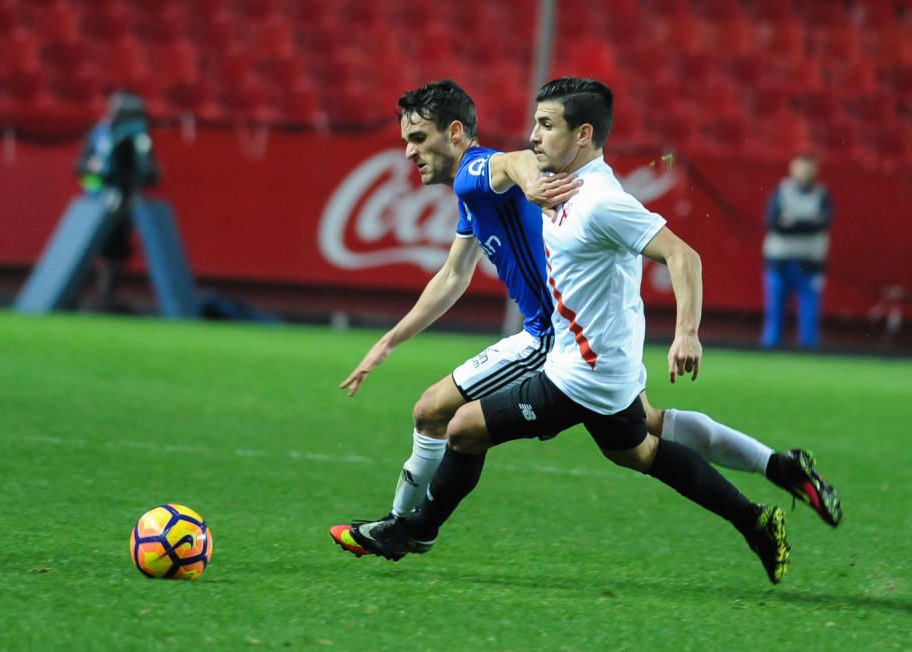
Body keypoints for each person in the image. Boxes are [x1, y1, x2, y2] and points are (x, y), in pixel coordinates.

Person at [345, 78, 843, 585]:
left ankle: (411, 529)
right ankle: (772, 484)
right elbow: (460, 269)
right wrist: (389, 341)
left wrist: (687, 333)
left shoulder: (578, 196)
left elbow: (681, 254)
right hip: (602, 355)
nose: (533, 138)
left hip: (576, 365)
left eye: (545, 125)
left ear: (582, 134)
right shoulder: (565, 188)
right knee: (642, 444)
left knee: (459, 424)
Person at [76, 91, 160, 311]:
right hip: (95, 202)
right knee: (85, 250)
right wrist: (96, 175)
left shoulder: (139, 138)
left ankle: (104, 298)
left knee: (117, 251)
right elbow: (82, 166)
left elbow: (148, 171)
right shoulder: (99, 134)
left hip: (124, 201)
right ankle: (77, 295)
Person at [760, 153, 833, 349]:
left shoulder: (822, 194)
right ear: (792, 168)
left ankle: (809, 357)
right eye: (801, 167)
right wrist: (808, 222)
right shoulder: (781, 190)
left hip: (810, 265)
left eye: (809, 167)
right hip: (779, 262)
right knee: (774, 314)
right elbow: (773, 222)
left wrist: (792, 223)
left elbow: (823, 224)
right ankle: (768, 355)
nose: (805, 172)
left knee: (809, 318)